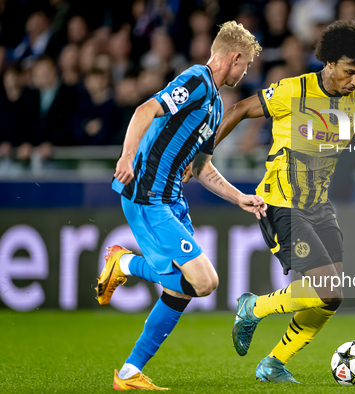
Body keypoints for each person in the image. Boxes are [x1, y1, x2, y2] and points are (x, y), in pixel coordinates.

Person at [215, 20, 355, 383]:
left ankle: (273, 364)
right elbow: (238, 109)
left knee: (332, 298)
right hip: (281, 202)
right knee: (326, 289)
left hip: (319, 206)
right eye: (350, 72)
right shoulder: (293, 91)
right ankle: (252, 307)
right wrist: (204, 155)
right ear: (330, 62)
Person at [95, 21, 265, 391]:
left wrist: (240, 198)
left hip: (172, 200)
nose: (246, 71)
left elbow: (200, 168)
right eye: (246, 64)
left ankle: (128, 373)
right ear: (234, 58)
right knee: (205, 281)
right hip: (147, 196)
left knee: (184, 288)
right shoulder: (196, 81)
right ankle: (123, 262)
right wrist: (126, 158)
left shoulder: (217, 107)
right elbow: (144, 110)